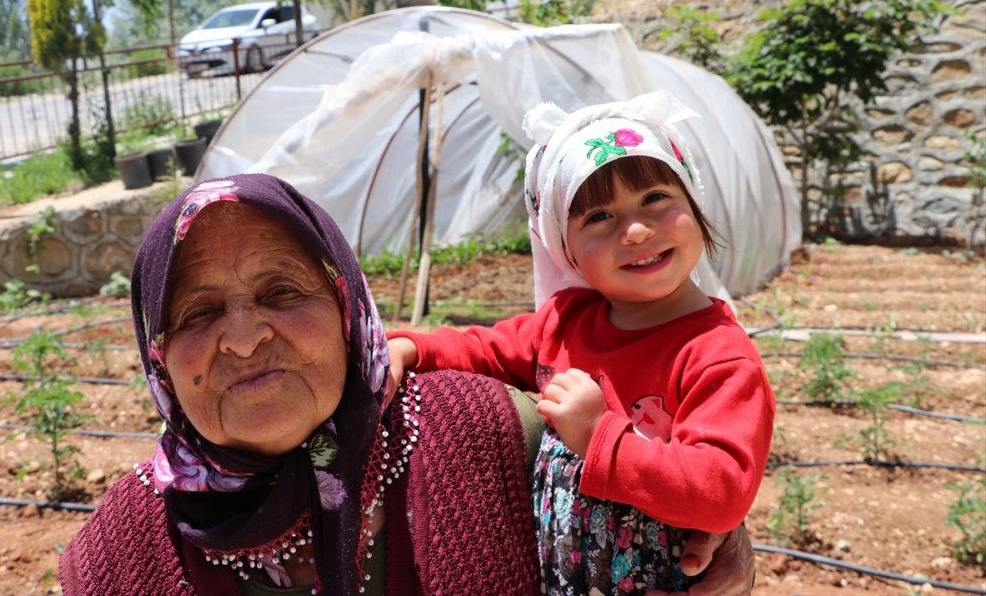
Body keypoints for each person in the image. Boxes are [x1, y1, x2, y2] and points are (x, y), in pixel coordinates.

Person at [59, 173, 756, 595]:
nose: (242, 337)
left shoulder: (501, 440)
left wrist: (708, 542)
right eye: (199, 311)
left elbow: (670, 518)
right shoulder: (121, 550)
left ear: (348, 310)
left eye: (281, 290)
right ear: (160, 357)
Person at [389, 92, 775, 594]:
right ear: (565, 250)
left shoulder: (716, 354)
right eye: (598, 217)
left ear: (694, 204)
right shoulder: (567, 321)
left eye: (655, 198)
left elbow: (721, 490)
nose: (636, 230)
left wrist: (599, 435)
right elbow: (485, 349)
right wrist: (412, 349)